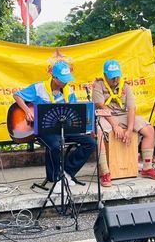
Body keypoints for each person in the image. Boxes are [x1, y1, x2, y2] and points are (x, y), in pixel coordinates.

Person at [13, 60, 95, 192]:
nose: (66, 82)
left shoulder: (69, 90)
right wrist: (27, 111)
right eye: (63, 79)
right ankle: (57, 178)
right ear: (54, 77)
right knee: (56, 145)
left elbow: (73, 112)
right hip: (45, 129)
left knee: (90, 143)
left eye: (67, 79)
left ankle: (67, 173)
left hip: (65, 128)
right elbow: (17, 96)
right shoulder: (39, 88)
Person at [92, 59, 155, 187]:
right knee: (99, 133)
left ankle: (147, 167)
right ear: (105, 75)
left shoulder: (125, 85)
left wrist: (130, 129)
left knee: (149, 129)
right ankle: (105, 172)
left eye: (117, 76)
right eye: (112, 77)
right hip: (105, 116)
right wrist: (115, 125)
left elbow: (131, 108)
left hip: (123, 115)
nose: (115, 80)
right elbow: (102, 106)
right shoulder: (98, 85)